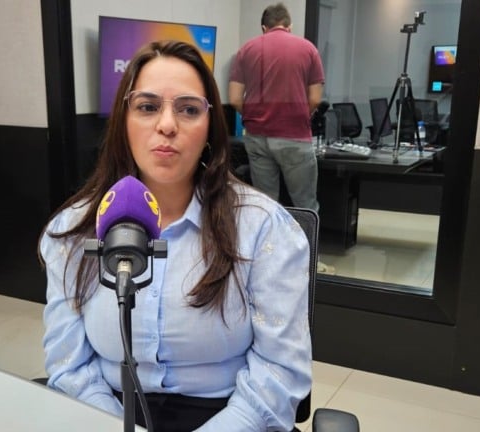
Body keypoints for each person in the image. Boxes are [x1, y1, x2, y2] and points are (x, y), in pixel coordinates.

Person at [39, 40, 311, 432]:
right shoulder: (71, 231)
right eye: (148, 107)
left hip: (230, 416)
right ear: (123, 122)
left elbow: (279, 373)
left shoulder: (264, 228)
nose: (167, 125)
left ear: (209, 126)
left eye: (188, 109)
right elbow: (69, 366)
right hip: (109, 413)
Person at [228, 2, 325, 212]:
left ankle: (269, 235)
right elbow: (316, 98)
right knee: (305, 204)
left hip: (257, 137)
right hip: (295, 136)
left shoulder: (246, 50)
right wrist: (299, 115)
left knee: (265, 206)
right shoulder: (308, 49)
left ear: (264, 28)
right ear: (289, 26)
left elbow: (234, 98)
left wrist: (254, 115)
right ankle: (306, 235)